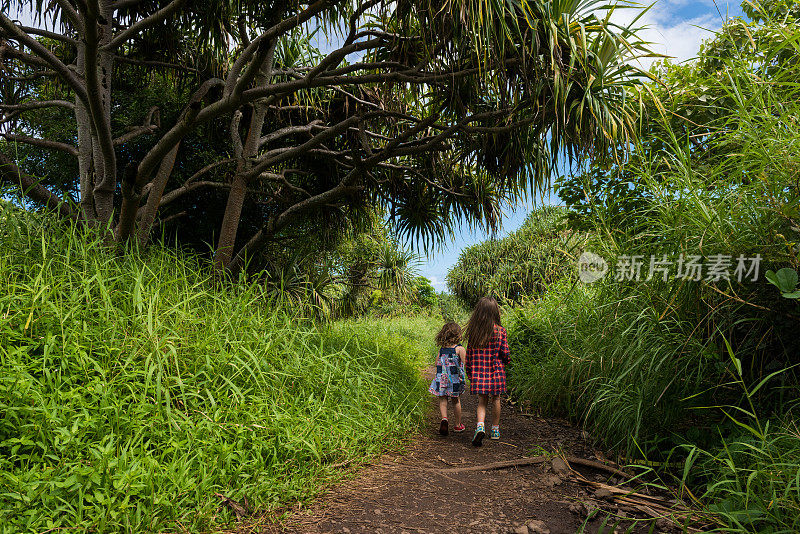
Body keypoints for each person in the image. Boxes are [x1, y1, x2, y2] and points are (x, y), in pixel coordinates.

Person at [464, 296, 510, 446]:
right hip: (496, 372)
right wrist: (506, 361)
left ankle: (480, 427)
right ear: (495, 312)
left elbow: (469, 356)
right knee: (496, 399)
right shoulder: (500, 331)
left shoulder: (474, 333)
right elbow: (505, 353)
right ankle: (495, 430)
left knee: (482, 401)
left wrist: (470, 373)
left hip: (479, 373)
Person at [428, 321, 467, 436]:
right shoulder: (459, 349)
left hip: (442, 379)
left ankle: (444, 419)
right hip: (454, 380)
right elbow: (466, 363)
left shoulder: (442, 349)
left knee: (443, 400)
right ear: (458, 335)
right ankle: (458, 425)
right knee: (456, 401)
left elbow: (436, 363)